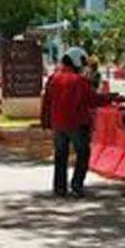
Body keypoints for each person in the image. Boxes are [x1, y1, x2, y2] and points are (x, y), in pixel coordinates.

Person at [41, 47, 96, 198]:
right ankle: (77, 185)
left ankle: (59, 188)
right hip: (77, 123)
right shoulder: (79, 81)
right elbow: (92, 99)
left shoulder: (54, 78)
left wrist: (45, 121)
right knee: (83, 154)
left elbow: (46, 101)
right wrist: (112, 98)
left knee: (60, 156)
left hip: (58, 124)